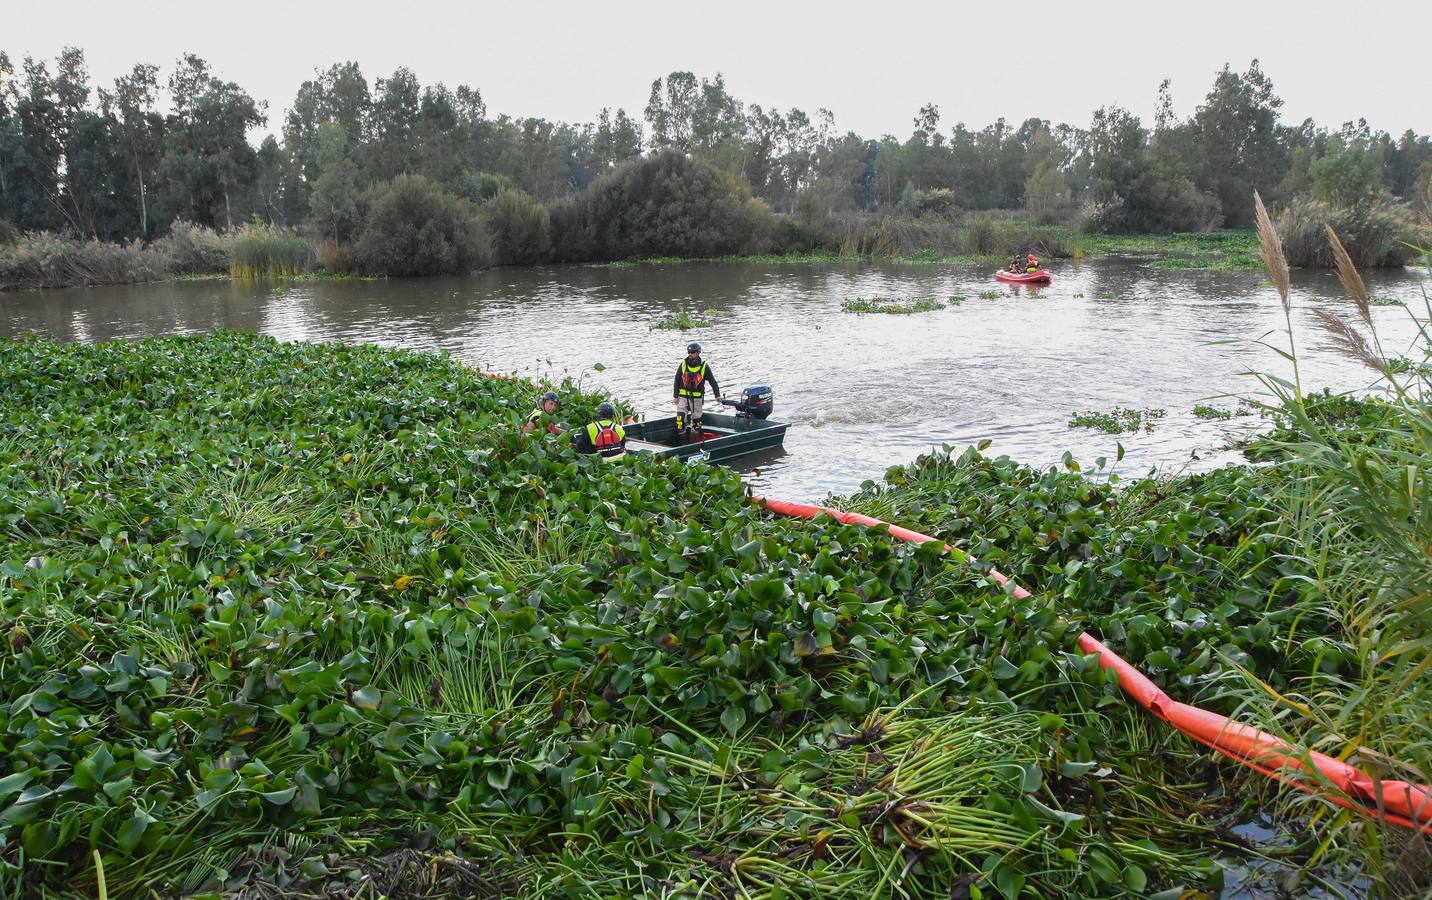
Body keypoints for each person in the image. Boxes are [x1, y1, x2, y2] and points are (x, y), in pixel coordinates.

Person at [673, 342, 720, 443]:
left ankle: (693, 444)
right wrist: (675, 396)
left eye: (693, 352)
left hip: (697, 399)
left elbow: (712, 381)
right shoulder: (683, 364)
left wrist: (717, 395)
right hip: (682, 398)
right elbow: (676, 380)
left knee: (696, 423)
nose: (690, 354)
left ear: (698, 353)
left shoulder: (704, 366)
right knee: (680, 421)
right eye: (689, 352)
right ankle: (683, 445)